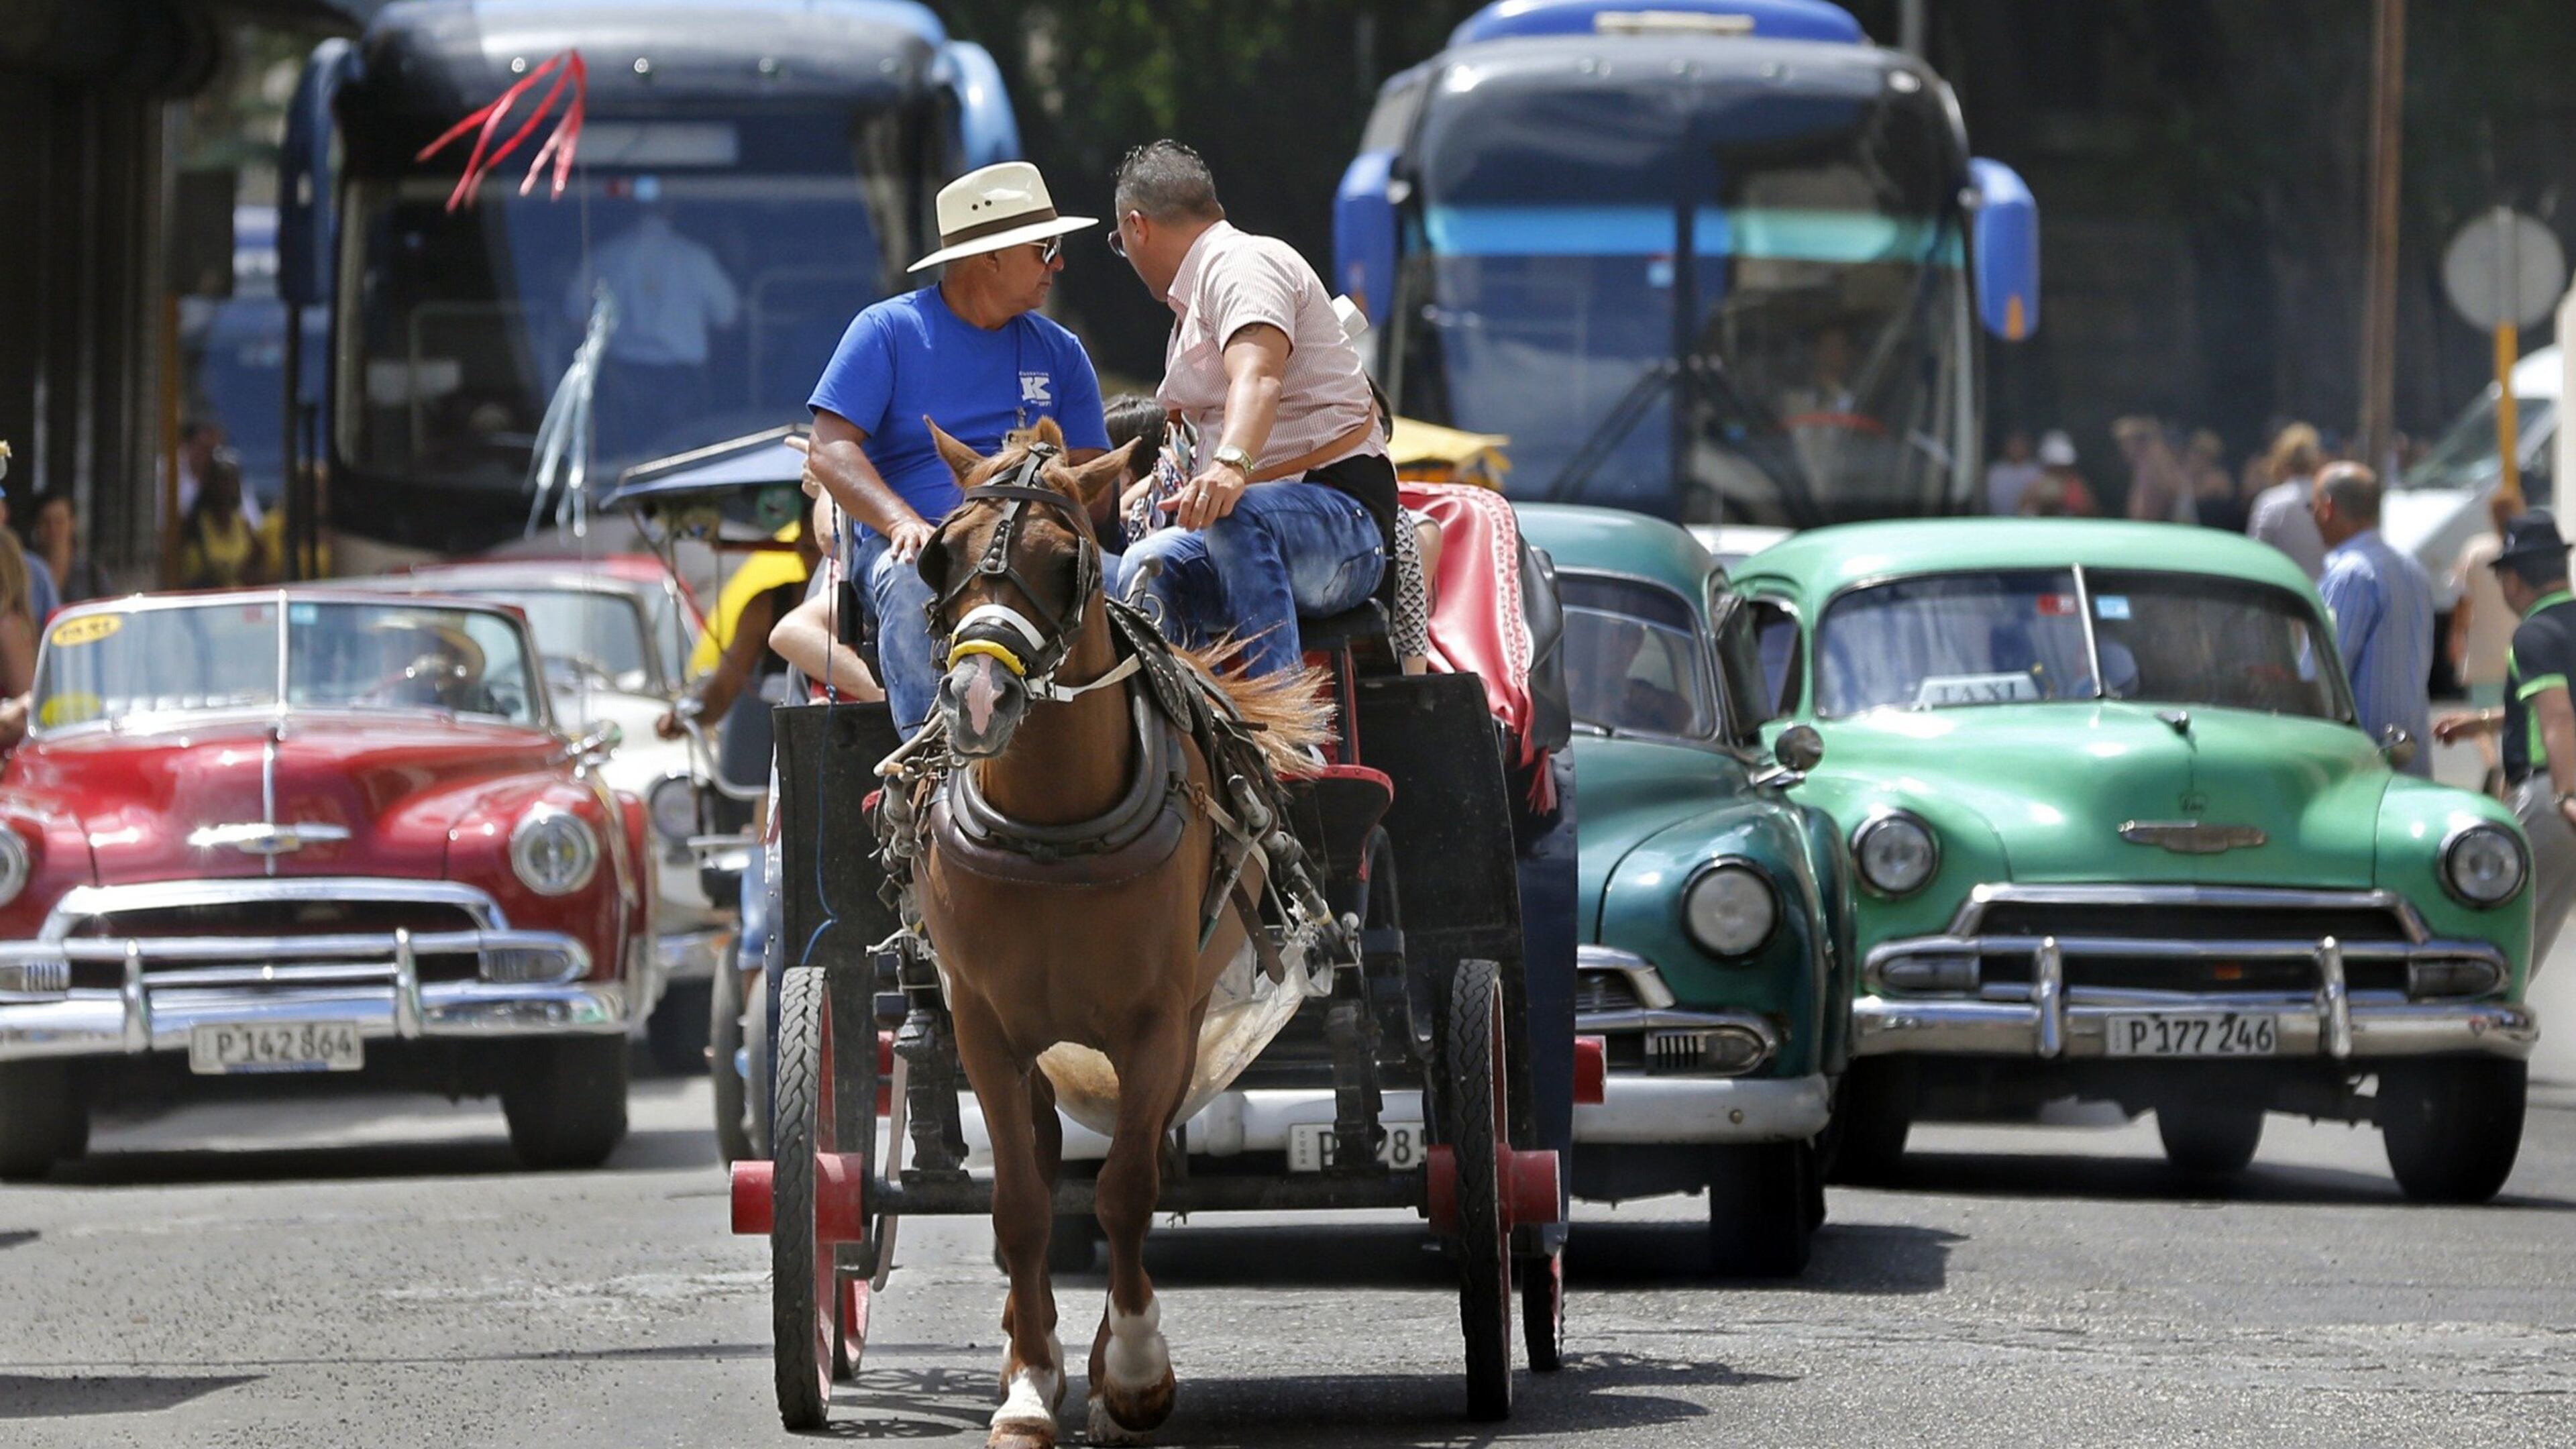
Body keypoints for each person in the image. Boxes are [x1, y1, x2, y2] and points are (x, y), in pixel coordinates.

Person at [802, 160, 1110, 736]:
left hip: (1035, 549)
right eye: (1046, 249)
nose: (1059, 264)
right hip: (924, 547)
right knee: (912, 582)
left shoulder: (1063, 351)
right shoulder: (888, 331)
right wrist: (900, 523)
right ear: (990, 257)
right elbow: (828, 448)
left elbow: (1093, 481)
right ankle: (933, 764)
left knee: (1131, 581)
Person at [1108, 140, 1391, 680]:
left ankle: (1283, 730)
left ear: (1137, 227)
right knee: (1145, 566)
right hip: (1242, 533)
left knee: (1235, 513)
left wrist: (1230, 465)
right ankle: (1188, 744)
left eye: (1120, 242)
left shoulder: (1241, 264)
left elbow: (1257, 377)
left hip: (1343, 529)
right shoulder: (1193, 303)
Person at [2434, 513, 2576, 960]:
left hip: (2552, 797)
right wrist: (2483, 724)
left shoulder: (2534, 634)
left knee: (2506, 943)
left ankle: (2485, 1023)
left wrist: (2568, 794)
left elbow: (2557, 716)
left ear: (2513, 580)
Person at [576, 187, 741, 457]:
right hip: (676, 380)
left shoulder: (605, 256)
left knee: (626, 462)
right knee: (683, 464)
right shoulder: (695, 258)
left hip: (625, 380)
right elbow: (728, 316)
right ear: (671, 210)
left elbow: (574, 314)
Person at [2312, 462, 2432, 775]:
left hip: (2364, 769)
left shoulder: (2350, 575)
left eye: (2311, 507)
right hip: (2411, 761)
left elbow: (2322, 676)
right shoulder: (2412, 569)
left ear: (2327, 508)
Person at [2449, 491, 2522, 789]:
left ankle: (2492, 763)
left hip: (2483, 647)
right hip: (2516, 646)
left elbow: (2463, 601)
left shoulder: (2476, 551)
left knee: (2480, 718)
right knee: (2513, 717)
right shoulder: (2524, 553)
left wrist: (2456, 636)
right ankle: (2506, 773)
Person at [174, 448, 276, 590]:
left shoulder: (243, 525)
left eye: (231, 481)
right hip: (203, 602)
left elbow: (261, 566)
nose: (226, 488)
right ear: (209, 483)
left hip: (237, 603)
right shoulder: (193, 526)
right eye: (221, 481)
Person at [2245, 423, 2328, 580]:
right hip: (2323, 597)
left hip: (2285, 597)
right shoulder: (2329, 500)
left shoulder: (2270, 502)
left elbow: (2255, 556)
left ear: (2282, 460)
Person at [2114, 416, 2196, 524]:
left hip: (2168, 524)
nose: (2123, 448)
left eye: (2126, 442)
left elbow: (2170, 491)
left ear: (2139, 441)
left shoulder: (2156, 460)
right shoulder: (2142, 462)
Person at [29, 491, 105, 604]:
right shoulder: (25, 572)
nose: (53, 529)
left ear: (72, 523)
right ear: (36, 525)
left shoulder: (93, 574)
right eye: (46, 522)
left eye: (59, 521)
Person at [2016, 430, 2098, 517]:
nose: (2059, 472)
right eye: (2055, 467)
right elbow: (2022, 511)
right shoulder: (2036, 485)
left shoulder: (2076, 485)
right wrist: (2042, 503)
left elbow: (2092, 512)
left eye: (2063, 468)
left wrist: (2066, 503)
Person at [2186, 429, 2244, 533]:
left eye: (2202, 453)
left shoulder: (2219, 482)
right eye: (2194, 451)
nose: (2195, 457)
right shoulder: (2184, 478)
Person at [1984, 427, 2042, 516]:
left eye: (2020, 444)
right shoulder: (1996, 471)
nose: (2017, 449)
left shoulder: (2036, 471)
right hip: (1998, 519)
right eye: (2013, 445)